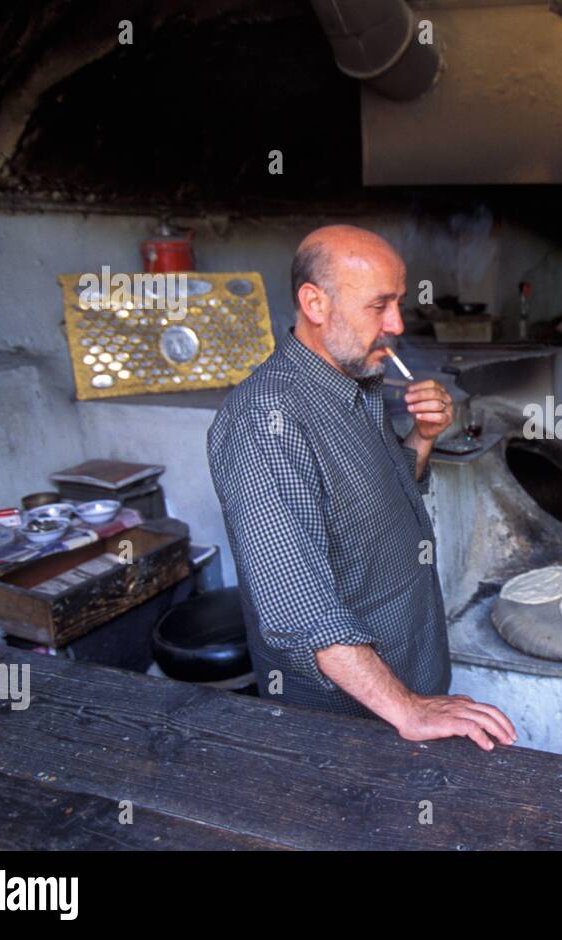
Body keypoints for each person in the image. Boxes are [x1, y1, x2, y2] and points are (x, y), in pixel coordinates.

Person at [208, 225, 516, 752]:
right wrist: (408, 708)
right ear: (315, 303)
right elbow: (300, 609)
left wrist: (421, 437)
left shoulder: (361, 385)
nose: (396, 324)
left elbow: (393, 488)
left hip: (410, 664)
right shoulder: (265, 422)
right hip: (349, 715)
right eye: (380, 305)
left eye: (398, 302)